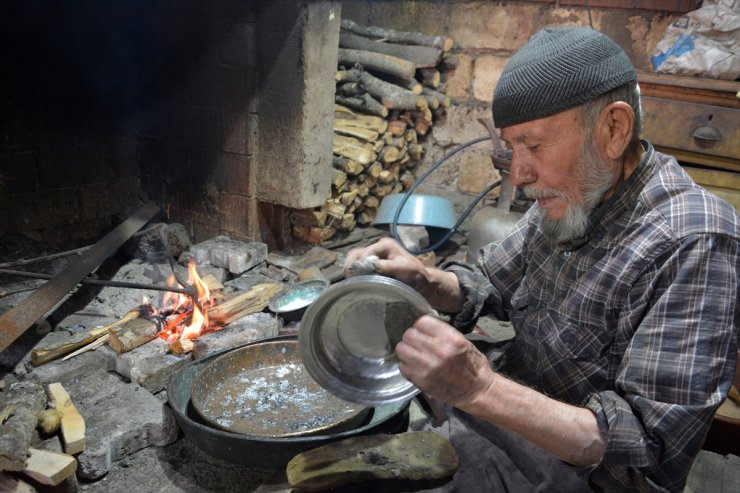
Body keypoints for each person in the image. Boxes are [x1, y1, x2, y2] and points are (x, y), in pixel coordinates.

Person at [344, 26, 738, 492]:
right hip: (521, 412)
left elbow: (646, 454)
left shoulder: (693, 241)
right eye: (513, 148)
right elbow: (489, 283)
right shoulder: (571, 194)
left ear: (613, 129)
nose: (519, 173)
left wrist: (482, 389)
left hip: (587, 473)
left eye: (533, 145)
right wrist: (425, 279)